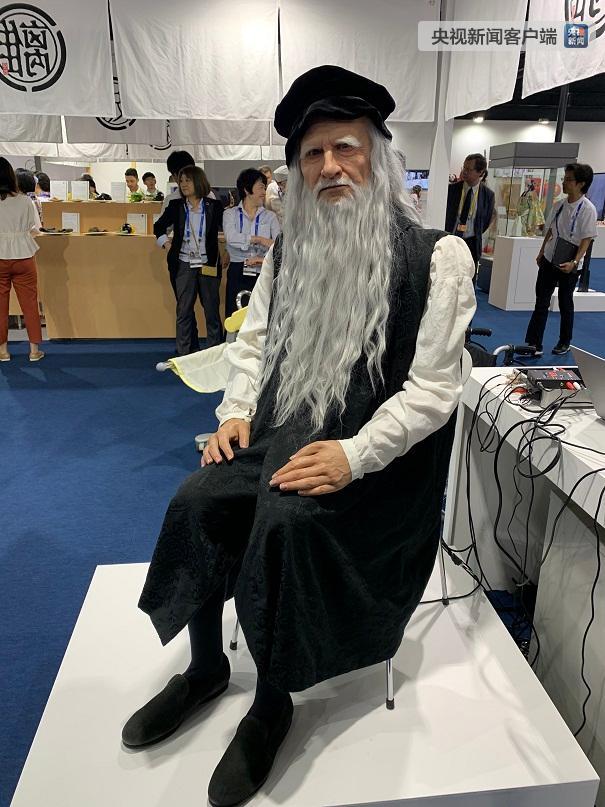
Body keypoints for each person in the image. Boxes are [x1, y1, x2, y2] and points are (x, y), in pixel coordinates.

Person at [122, 65, 475, 806]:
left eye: (345, 148)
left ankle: (272, 701)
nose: (329, 166)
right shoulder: (288, 253)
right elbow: (252, 347)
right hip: (280, 430)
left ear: (377, 157)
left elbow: (433, 391)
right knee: (195, 500)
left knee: (285, 522)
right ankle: (205, 670)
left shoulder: (437, 256)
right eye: (312, 154)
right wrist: (233, 412)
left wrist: (353, 455)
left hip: (375, 458)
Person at [525, 163, 597, 356]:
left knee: (565, 302)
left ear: (581, 183)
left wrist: (575, 262)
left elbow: (586, 239)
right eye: (564, 179)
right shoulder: (559, 205)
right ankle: (534, 343)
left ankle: (565, 341)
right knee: (541, 301)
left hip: (569, 262)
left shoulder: (588, 209)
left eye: (569, 180)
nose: (564, 183)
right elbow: (550, 230)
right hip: (550, 258)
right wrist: (542, 252)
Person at [153, 165, 224, 354]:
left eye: (188, 180)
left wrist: (226, 250)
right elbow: (158, 227)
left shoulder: (214, 206)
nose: (183, 184)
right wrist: (167, 245)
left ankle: (214, 353)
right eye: (181, 181)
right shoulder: (176, 206)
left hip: (208, 264)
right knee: (183, 310)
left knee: (211, 310)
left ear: (198, 182)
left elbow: (227, 227)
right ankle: (183, 353)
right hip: (183, 263)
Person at [0, 158, 44, 362]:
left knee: (1, 306)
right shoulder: (25, 200)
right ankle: (34, 350)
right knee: (30, 303)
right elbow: (32, 228)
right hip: (24, 254)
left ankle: (3, 351)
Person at [223, 168, 280, 317]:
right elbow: (231, 237)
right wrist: (259, 239)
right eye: (261, 187)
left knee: (262, 316)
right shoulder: (230, 214)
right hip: (238, 269)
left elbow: (278, 246)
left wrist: (261, 258)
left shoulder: (270, 216)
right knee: (235, 315)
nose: (264, 192)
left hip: (263, 269)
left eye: (265, 188)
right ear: (247, 190)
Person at [445, 153, 495, 268]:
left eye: (469, 169)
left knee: (468, 276)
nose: (464, 172)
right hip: (451, 241)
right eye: (464, 168)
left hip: (471, 244)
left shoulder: (488, 195)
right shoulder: (451, 190)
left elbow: (485, 222)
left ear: (480, 172)